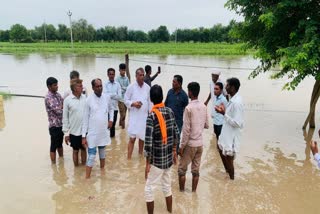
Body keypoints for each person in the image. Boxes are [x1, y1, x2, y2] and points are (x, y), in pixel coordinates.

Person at [144, 85, 179, 214]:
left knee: (149, 189)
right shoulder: (169, 111)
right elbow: (176, 132)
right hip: (168, 158)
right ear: (162, 97)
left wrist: (147, 163)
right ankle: (170, 211)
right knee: (167, 186)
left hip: (157, 161)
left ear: (151, 99)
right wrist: (174, 150)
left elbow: (148, 143)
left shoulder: (151, 116)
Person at [178, 82, 209, 192]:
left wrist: (181, 147)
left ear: (190, 92)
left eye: (188, 91)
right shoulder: (204, 107)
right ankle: (194, 193)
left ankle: (181, 193)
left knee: (181, 170)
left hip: (190, 144)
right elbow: (207, 125)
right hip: (200, 144)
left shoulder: (188, 108)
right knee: (195, 171)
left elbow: (186, 131)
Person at [82, 78, 114, 179]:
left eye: (101, 86)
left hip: (103, 131)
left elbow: (111, 109)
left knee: (102, 153)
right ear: (93, 88)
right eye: (97, 86)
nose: (100, 88)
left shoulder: (106, 97)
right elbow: (85, 119)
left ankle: (102, 174)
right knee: (91, 156)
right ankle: (87, 178)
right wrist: (83, 136)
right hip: (92, 133)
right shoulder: (88, 100)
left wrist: (111, 120)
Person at [215, 77, 244, 180]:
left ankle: (232, 179)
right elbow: (230, 115)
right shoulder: (232, 99)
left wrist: (223, 113)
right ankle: (227, 172)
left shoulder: (237, 103)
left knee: (229, 157)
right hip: (226, 132)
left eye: (227, 86)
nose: (225, 88)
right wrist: (224, 111)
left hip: (232, 135)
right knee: (219, 148)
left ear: (233, 87)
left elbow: (237, 123)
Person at [124, 67, 151, 160]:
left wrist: (151, 115)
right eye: (140, 75)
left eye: (143, 75)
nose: (142, 76)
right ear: (136, 76)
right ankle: (129, 159)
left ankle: (140, 156)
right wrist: (133, 104)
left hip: (144, 118)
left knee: (142, 138)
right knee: (132, 139)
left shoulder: (148, 88)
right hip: (134, 118)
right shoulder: (131, 87)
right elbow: (125, 100)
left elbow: (150, 103)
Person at [62, 79, 87, 166]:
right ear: (74, 88)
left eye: (82, 85)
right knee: (75, 150)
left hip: (84, 130)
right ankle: (76, 169)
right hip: (73, 131)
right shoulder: (67, 100)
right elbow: (65, 118)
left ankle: (83, 168)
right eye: (80, 86)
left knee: (84, 149)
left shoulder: (85, 98)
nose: (82, 87)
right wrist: (66, 133)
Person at [165, 75, 189, 151]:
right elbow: (165, 104)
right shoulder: (170, 92)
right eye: (172, 81)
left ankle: (176, 156)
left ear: (179, 84)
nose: (172, 83)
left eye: (174, 82)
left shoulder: (184, 96)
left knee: (176, 140)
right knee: (167, 139)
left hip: (178, 121)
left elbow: (186, 110)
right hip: (168, 120)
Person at [45, 77, 64, 164]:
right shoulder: (48, 97)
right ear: (49, 87)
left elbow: (63, 104)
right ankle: (53, 164)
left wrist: (62, 106)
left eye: (57, 84)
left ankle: (61, 160)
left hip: (61, 124)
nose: (57, 86)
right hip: (54, 126)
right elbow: (58, 111)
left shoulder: (58, 94)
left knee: (60, 144)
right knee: (53, 146)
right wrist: (62, 107)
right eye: (55, 85)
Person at [104, 68, 122, 138]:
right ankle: (107, 143)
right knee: (106, 126)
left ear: (114, 75)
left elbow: (119, 97)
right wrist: (114, 94)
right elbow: (105, 96)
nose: (111, 76)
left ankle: (112, 143)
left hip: (115, 108)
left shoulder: (117, 84)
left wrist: (110, 95)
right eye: (110, 74)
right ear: (108, 75)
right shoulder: (105, 84)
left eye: (113, 74)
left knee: (113, 126)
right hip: (106, 109)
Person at [116, 63, 130, 129]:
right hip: (120, 99)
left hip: (126, 99)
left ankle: (120, 126)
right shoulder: (117, 79)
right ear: (119, 70)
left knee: (124, 114)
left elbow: (129, 88)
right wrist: (125, 88)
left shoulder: (127, 78)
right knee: (123, 115)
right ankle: (123, 130)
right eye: (122, 70)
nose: (123, 71)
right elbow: (118, 89)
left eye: (124, 70)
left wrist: (123, 88)